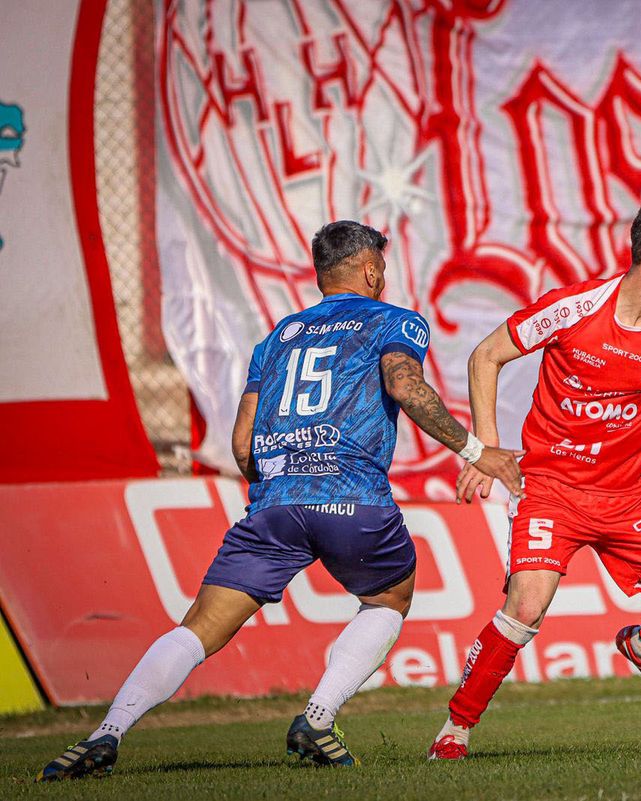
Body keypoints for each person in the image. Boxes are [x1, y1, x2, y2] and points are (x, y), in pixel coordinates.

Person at [38, 221, 523, 780]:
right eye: (383, 269)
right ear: (371, 271)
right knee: (389, 598)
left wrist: (276, 489)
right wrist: (476, 450)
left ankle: (106, 733)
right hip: (351, 497)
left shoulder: (277, 338)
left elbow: (243, 441)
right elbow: (405, 386)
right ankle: (318, 718)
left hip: (274, 503)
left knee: (198, 628)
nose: (384, 278)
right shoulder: (394, 321)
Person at [426, 197, 641, 760]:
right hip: (552, 491)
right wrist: (485, 449)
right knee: (525, 606)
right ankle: (455, 731)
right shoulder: (574, 307)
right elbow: (486, 355)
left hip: (631, 498)